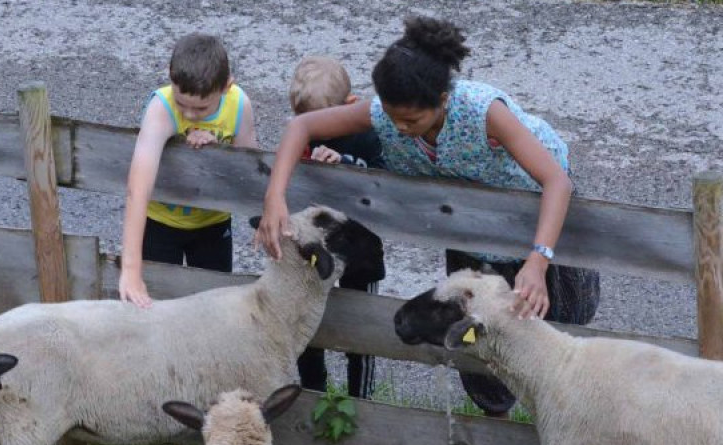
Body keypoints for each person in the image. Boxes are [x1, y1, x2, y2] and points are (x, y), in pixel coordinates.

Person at [256, 17, 599, 416]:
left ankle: (571, 418)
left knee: (560, 324)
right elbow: (301, 126)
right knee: (476, 334)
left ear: (442, 99)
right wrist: (274, 197)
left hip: (540, 216)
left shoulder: (484, 112)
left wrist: (539, 260)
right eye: (392, 117)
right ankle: (495, 427)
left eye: (412, 120)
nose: (400, 128)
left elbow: (556, 181)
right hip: (467, 222)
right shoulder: (385, 113)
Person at [120, 33, 258, 308]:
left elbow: (249, 167)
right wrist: (131, 270)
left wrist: (217, 150)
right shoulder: (162, 107)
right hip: (160, 223)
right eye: (181, 103)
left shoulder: (239, 105)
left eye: (201, 108)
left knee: (214, 304)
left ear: (226, 87)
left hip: (213, 223)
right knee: (155, 305)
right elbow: (138, 187)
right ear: (170, 78)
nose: (190, 114)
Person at [289, 55, 386, 399]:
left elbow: (384, 180)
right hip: (316, 243)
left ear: (349, 105)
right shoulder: (301, 135)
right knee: (306, 316)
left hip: (361, 245)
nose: (314, 130)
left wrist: (345, 164)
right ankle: (314, 393)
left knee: (362, 323)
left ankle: (362, 399)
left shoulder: (365, 136)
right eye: (305, 121)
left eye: (322, 122)